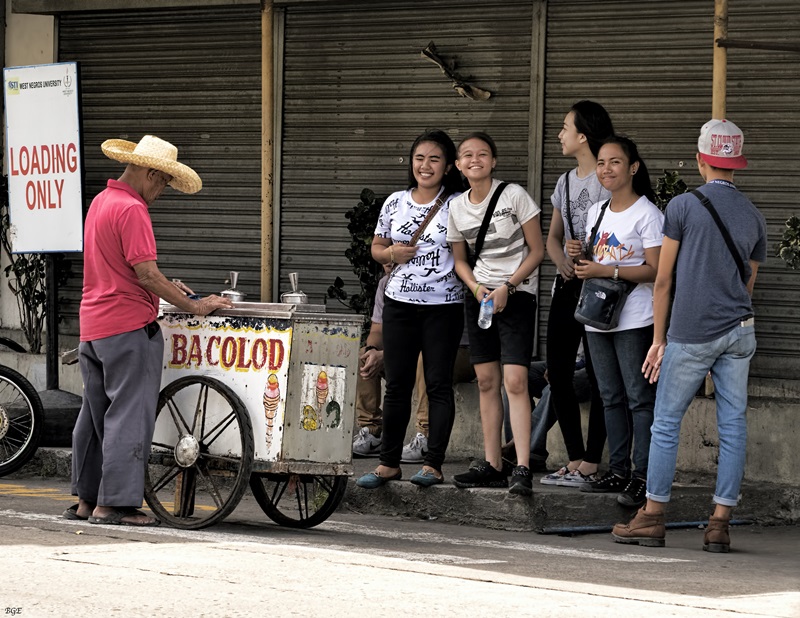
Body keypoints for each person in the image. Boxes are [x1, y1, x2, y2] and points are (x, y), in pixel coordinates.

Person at [612, 119, 767, 551]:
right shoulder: (755, 216)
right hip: (740, 331)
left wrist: (658, 339)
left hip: (691, 332)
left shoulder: (682, 206)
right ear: (735, 165)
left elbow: (663, 281)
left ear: (701, 160)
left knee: (665, 424)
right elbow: (746, 285)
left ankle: (654, 515)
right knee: (733, 426)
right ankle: (719, 524)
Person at [64, 135, 233, 526]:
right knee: (128, 415)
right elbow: (146, 272)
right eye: (163, 183)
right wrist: (193, 304)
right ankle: (115, 505)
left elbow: (119, 268)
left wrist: (166, 285)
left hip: (93, 326)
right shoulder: (132, 209)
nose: (161, 192)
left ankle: (87, 501)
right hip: (126, 326)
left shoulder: (101, 203)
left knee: (94, 414)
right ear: (151, 173)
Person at [355, 129, 465, 489]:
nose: (426, 165)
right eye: (419, 158)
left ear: (448, 166)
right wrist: (390, 254)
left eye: (434, 159)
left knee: (437, 385)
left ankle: (433, 463)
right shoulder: (395, 202)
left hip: (444, 305)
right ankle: (388, 463)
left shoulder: (458, 204)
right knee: (398, 385)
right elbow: (376, 247)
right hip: (399, 303)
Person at [448, 132, 545, 496]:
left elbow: (536, 251)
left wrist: (510, 287)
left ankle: (521, 466)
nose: (476, 160)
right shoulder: (456, 207)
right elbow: (459, 260)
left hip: (516, 296)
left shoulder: (514, 195)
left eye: (483, 154)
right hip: (479, 297)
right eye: (468, 155)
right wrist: (477, 289)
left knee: (515, 382)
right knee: (487, 381)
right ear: (458, 165)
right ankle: (492, 464)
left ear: (494, 161)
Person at [571, 135, 663, 508]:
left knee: (639, 398)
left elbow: (657, 270)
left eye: (615, 162)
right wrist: (577, 254)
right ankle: (619, 470)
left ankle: (643, 477)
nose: (606, 170)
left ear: (633, 168)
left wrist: (607, 268)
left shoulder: (648, 214)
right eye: (602, 163)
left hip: (635, 319)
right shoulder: (597, 211)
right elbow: (592, 261)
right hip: (597, 318)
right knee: (609, 397)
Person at [540, 100, 613, 488]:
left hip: (600, 286)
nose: (560, 133)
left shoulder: (607, 178)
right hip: (568, 285)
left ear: (583, 135)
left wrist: (587, 253)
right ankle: (573, 457)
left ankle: (593, 460)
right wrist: (562, 259)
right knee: (559, 371)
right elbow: (552, 238)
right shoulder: (565, 182)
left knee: (602, 377)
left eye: (565, 127)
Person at [352, 273, 431, 460]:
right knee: (363, 355)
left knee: (424, 358)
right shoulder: (385, 284)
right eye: (385, 255)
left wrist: (387, 355)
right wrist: (372, 350)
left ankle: (426, 436)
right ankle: (371, 431)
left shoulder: (425, 279)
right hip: (398, 354)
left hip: (425, 354)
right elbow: (377, 330)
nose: (389, 261)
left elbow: (426, 338)